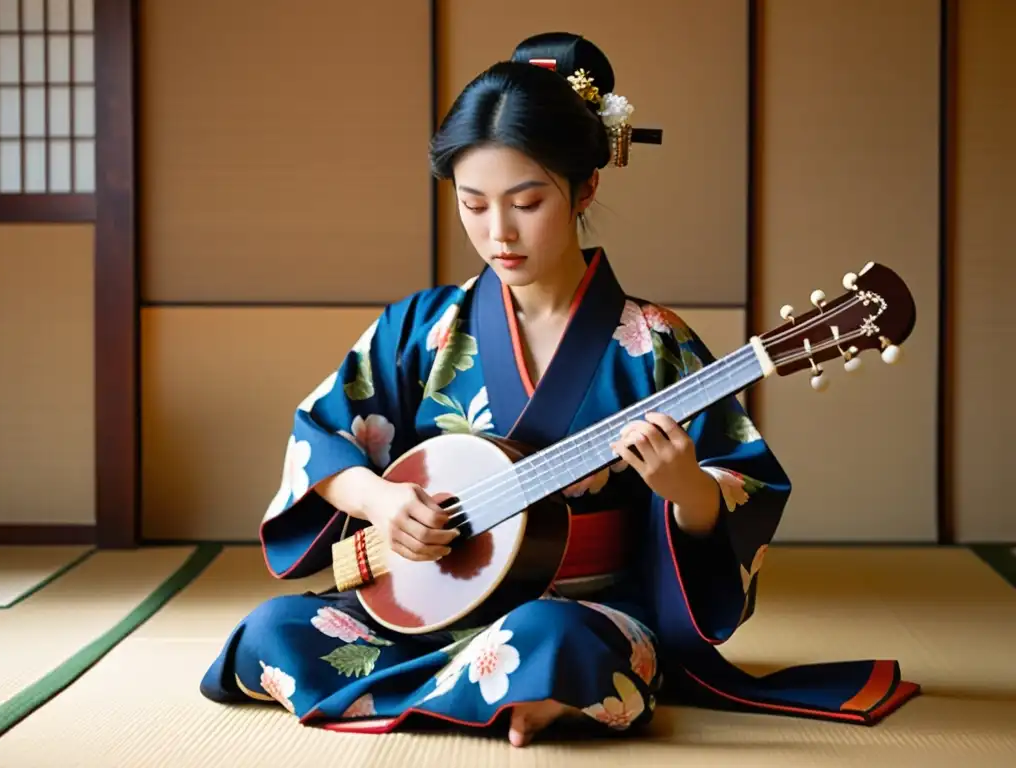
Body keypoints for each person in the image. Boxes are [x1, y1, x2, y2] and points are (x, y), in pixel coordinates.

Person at [200, 31, 918, 747]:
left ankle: (515, 683)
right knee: (273, 629)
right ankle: (509, 693)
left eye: (526, 201)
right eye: (473, 204)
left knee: (552, 640)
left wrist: (687, 488)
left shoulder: (654, 341)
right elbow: (320, 438)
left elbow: (740, 490)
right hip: (432, 605)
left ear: (586, 188)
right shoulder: (423, 328)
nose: (497, 232)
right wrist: (384, 502)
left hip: (582, 609)